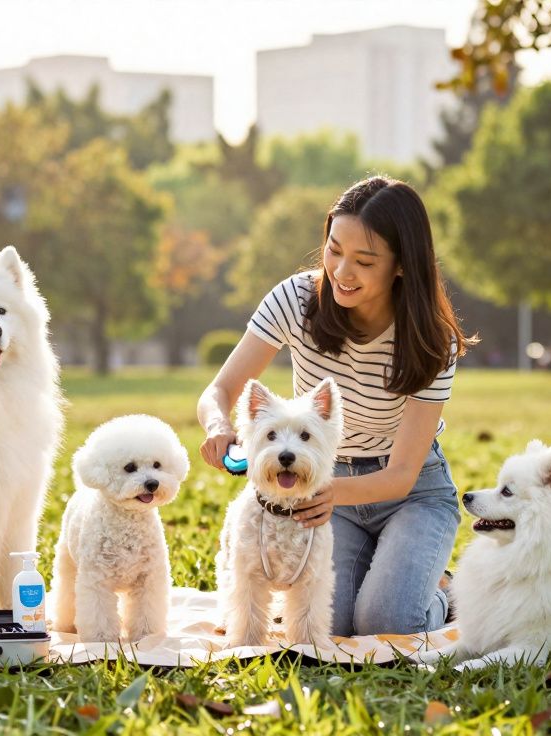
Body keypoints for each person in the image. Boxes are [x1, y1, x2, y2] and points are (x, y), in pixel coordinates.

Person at [196, 176, 475, 636]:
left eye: (364, 261)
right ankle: (394, 572)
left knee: (387, 622)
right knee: (333, 626)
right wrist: (217, 426)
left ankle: (444, 592)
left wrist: (325, 492)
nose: (342, 271)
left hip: (411, 495)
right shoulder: (295, 299)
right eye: (334, 250)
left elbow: (403, 474)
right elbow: (219, 391)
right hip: (325, 488)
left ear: (401, 266)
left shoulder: (432, 338)